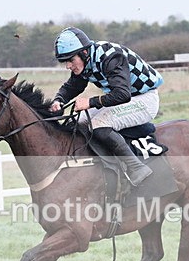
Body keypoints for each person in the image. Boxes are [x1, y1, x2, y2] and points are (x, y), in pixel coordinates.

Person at [50, 27, 164, 186]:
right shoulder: (87, 60)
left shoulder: (111, 57)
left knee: (99, 125)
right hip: (123, 99)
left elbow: (122, 94)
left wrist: (90, 102)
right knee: (78, 121)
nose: (68, 66)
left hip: (144, 99)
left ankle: (137, 168)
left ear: (84, 53)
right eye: (65, 62)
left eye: (71, 60)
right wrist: (59, 100)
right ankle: (99, 166)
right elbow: (73, 86)